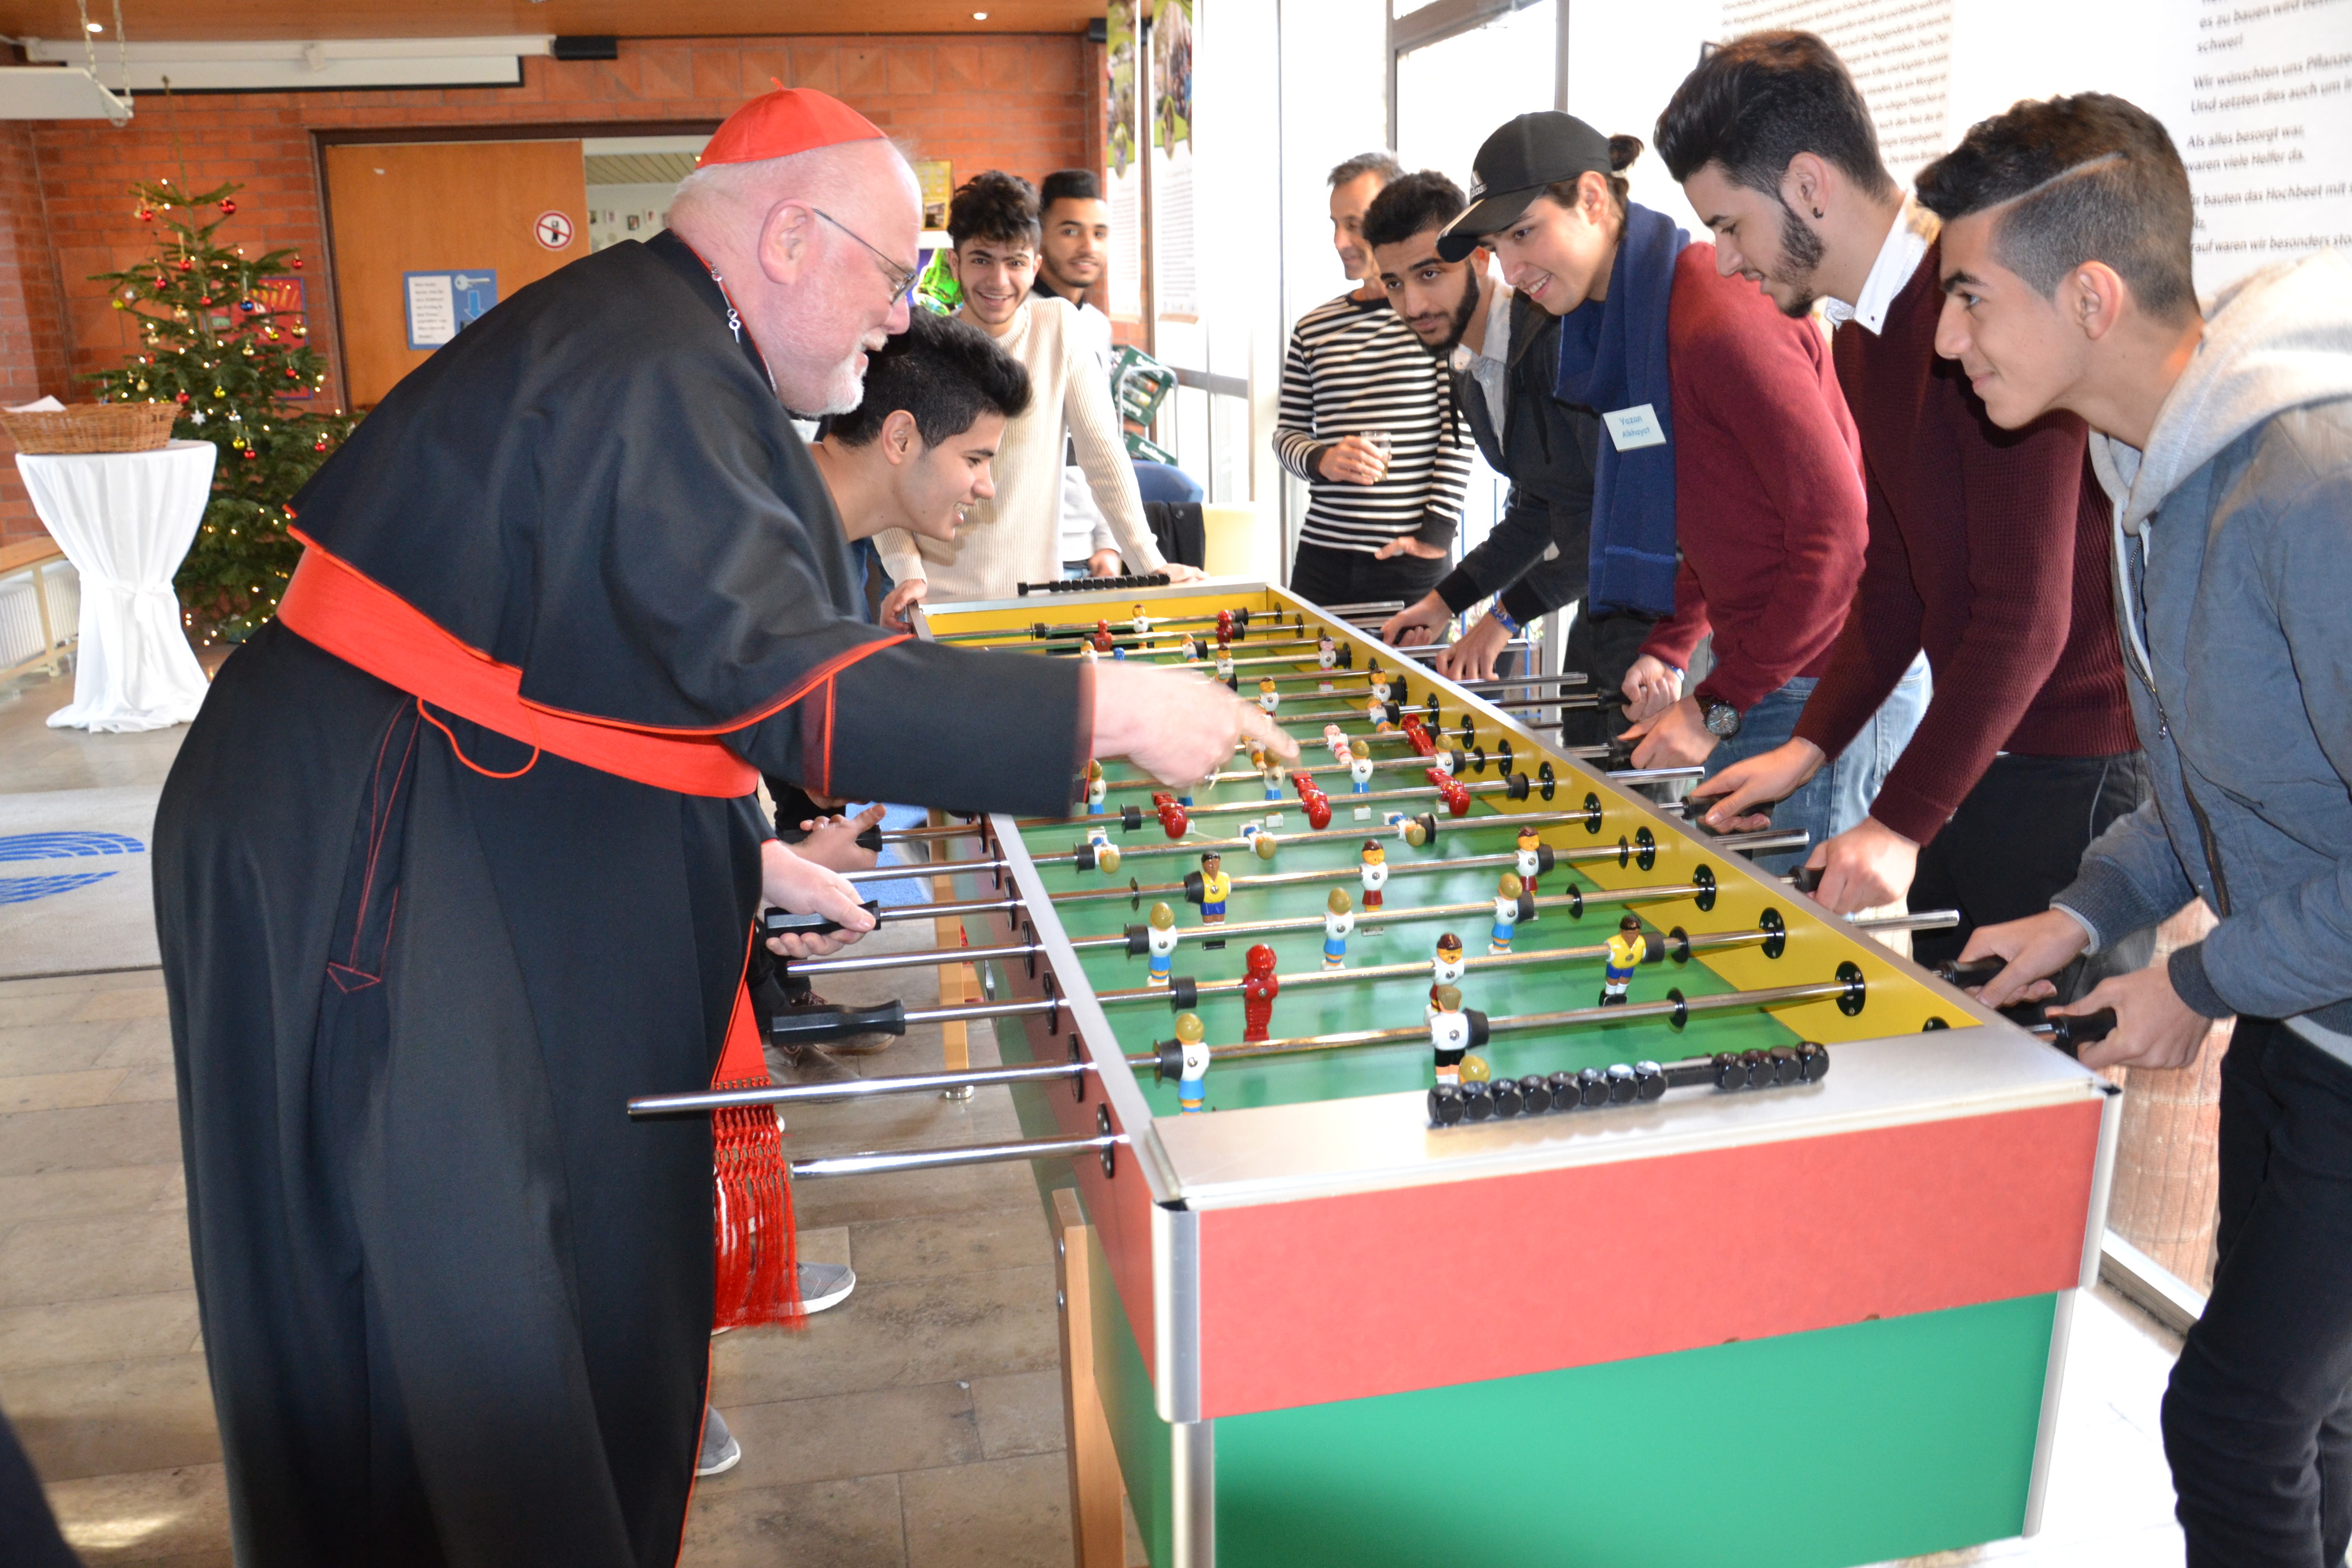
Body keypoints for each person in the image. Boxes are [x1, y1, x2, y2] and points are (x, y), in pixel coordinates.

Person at [151, 86, 1291, 1567]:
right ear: (792, 236)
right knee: (447, 1287)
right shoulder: (660, 365)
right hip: (365, 840)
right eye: (892, 280)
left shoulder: (668, 347)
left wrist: (725, 851)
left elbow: (583, 663)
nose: (897, 325)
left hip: (423, 798)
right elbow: (780, 684)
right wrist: (1105, 713)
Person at [1915, 95, 2352, 1568]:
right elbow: (2217, 780)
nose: (1944, 337)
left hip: (2317, 1010)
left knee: (2229, 1424)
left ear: (2088, 294)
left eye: (1969, 294)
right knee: (2314, 1414)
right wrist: (2092, 909)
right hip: (2306, 1010)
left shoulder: (2311, 482)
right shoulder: (2142, 469)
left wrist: (2197, 985)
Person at [1654, 34, 2141, 973]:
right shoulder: (1865, 337)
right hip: (1976, 749)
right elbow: (1895, 585)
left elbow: (2028, 617)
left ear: (1808, 186)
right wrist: (1811, 744)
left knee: (2044, 1083)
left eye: (1729, 224)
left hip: (2066, 770)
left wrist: (1898, 818)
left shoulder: (1981, 314)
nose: (1723, 262)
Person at [1365, 152, 1912, 845]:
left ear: (1593, 199)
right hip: (1764, 669)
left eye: (1525, 233)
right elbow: (1707, 520)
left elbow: (1837, 538)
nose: (1511, 268)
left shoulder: (1713, 318)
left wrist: (1714, 707)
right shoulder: (1627, 333)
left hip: (1824, 680)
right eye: (1498, 245)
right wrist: (1673, 643)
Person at [875, 170, 1200, 620]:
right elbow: (885, 478)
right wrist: (908, 573)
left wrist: (1152, 565)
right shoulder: (923, 347)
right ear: (954, 263)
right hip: (936, 605)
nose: (998, 281)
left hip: (1036, 604)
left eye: (1015, 262)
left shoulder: (1059, 327)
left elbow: (1103, 455)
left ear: (1036, 263)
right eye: (982, 260)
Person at [1275, 151, 1472, 611]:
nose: (1340, 240)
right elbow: (1287, 434)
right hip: (1320, 560)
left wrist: (1435, 537)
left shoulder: (1434, 319)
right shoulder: (1313, 328)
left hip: (1411, 563)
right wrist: (1321, 457)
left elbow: (1459, 434)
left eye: (1354, 223)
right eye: (1334, 224)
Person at [1032, 167, 1203, 513]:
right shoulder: (1018, 320)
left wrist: (1107, 539)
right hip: (1026, 533)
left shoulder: (1096, 326)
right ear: (1039, 236)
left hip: (1086, 527)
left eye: (1100, 233)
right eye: (1070, 231)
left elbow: (1100, 439)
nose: (1088, 247)